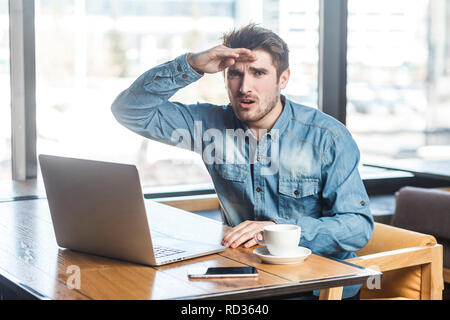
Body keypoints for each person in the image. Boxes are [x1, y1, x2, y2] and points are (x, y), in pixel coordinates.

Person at [111, 24, 373, 299]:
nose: (244, 87)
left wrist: (278, 231)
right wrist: (191, 64)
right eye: (235, 74)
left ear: (283, 79)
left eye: (259, 73)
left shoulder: (327, 137)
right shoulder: (209, 125)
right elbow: (129, 111)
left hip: (314, 287)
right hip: (244, 280)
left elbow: (357, 226)